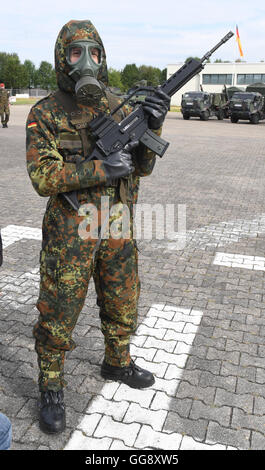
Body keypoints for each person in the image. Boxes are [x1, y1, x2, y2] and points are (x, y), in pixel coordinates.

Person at [26, 19, 170, 434]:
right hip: (72, 227)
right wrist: (97, 168)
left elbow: (142, 167)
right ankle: (51, 383)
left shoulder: (120, 106)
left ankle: (117, 360)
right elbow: (41, 177)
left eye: (94, 51)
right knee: (59, 307)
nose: (86, 60)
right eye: (76, 52)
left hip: (118, 221)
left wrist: (154, 125)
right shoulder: (46, 112)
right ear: (62, 58)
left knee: (123, 295)